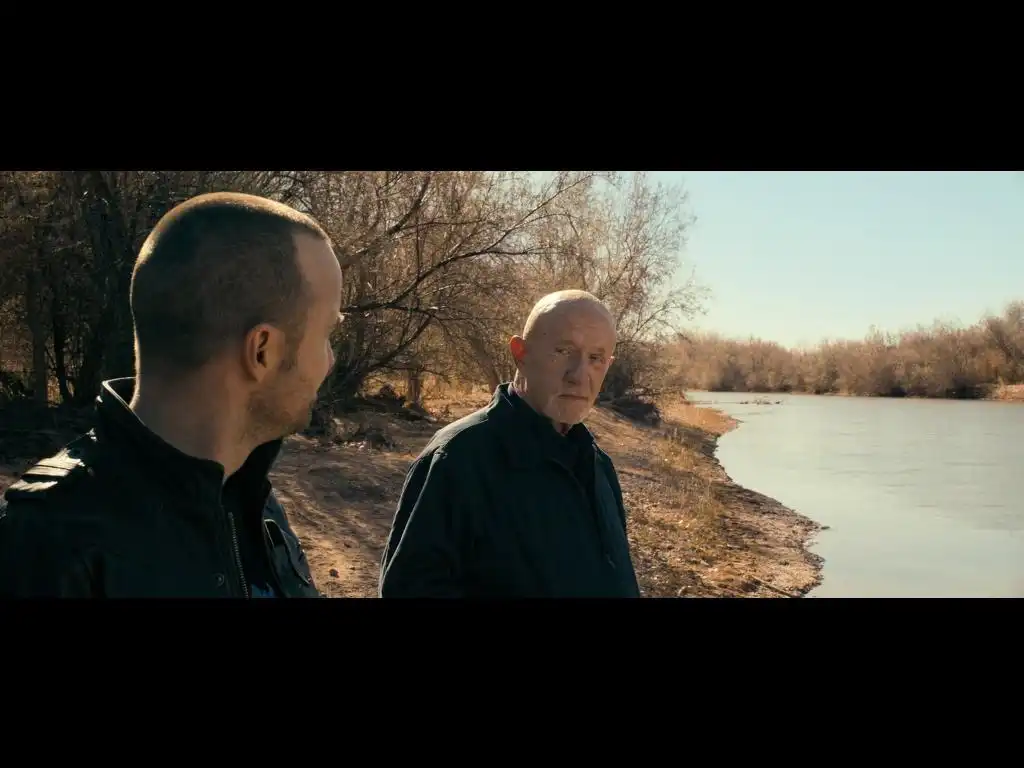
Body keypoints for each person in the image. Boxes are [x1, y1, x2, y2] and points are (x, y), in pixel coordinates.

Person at [0, 192, 344, 598]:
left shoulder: (249, 498)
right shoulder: (50, 545)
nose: (330, 361)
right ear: (262, 351)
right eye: (326, 334)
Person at [378, 289, 641, 598]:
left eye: (596, 359)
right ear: (520, 353)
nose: (579, 375)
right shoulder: (458, 459)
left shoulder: (598, 465)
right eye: (563, 351)